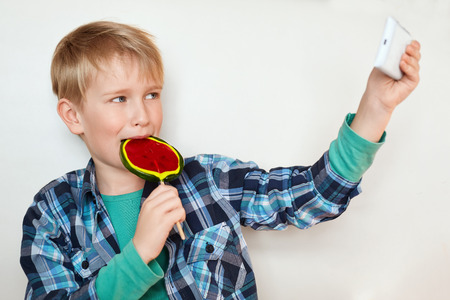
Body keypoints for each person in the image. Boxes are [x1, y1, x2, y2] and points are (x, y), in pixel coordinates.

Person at [20, 20, 421, 299]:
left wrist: (374, 109)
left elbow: (309, 194)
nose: (142, 115)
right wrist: (139, 253)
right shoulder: (51, 212)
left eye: (152, 94)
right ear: (74, 116)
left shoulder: (208, 179)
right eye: (119, 98)